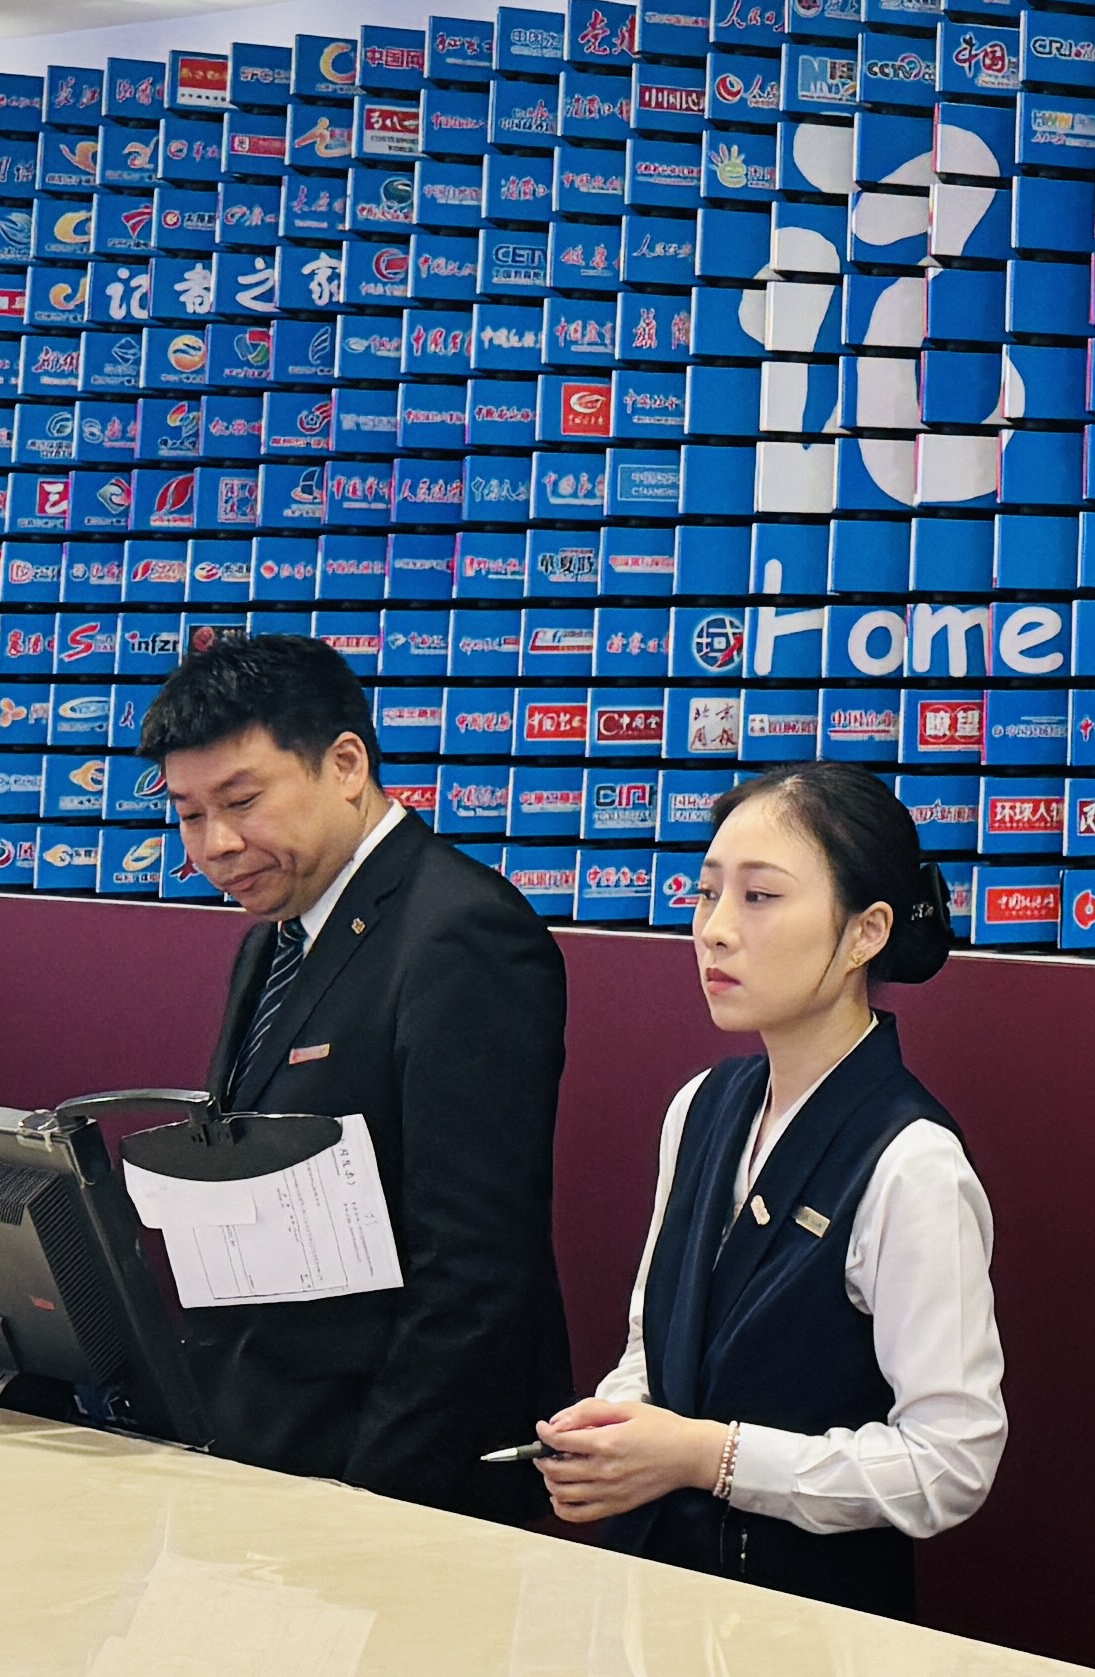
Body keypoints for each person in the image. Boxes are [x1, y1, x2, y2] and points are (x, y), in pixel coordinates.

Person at [538, 763, 1000, 1618]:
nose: (714, 930)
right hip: (659, 1594)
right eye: (707, 893)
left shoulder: (912, 1162)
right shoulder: (702, 1107)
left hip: (811, 1622)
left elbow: (950, 1463)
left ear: (865, 933)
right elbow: (653, 1347)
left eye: (759, 898)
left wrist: (709, 1457)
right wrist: (613, 1428)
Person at [141, 634, 569, 1523]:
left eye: (242, 801)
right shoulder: (275, 937)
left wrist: (369, 1498)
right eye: (188, 814)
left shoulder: (461, 934)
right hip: (272, 1452)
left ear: (345, 765)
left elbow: (474, 1269)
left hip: (402, 1481)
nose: (216, 845)